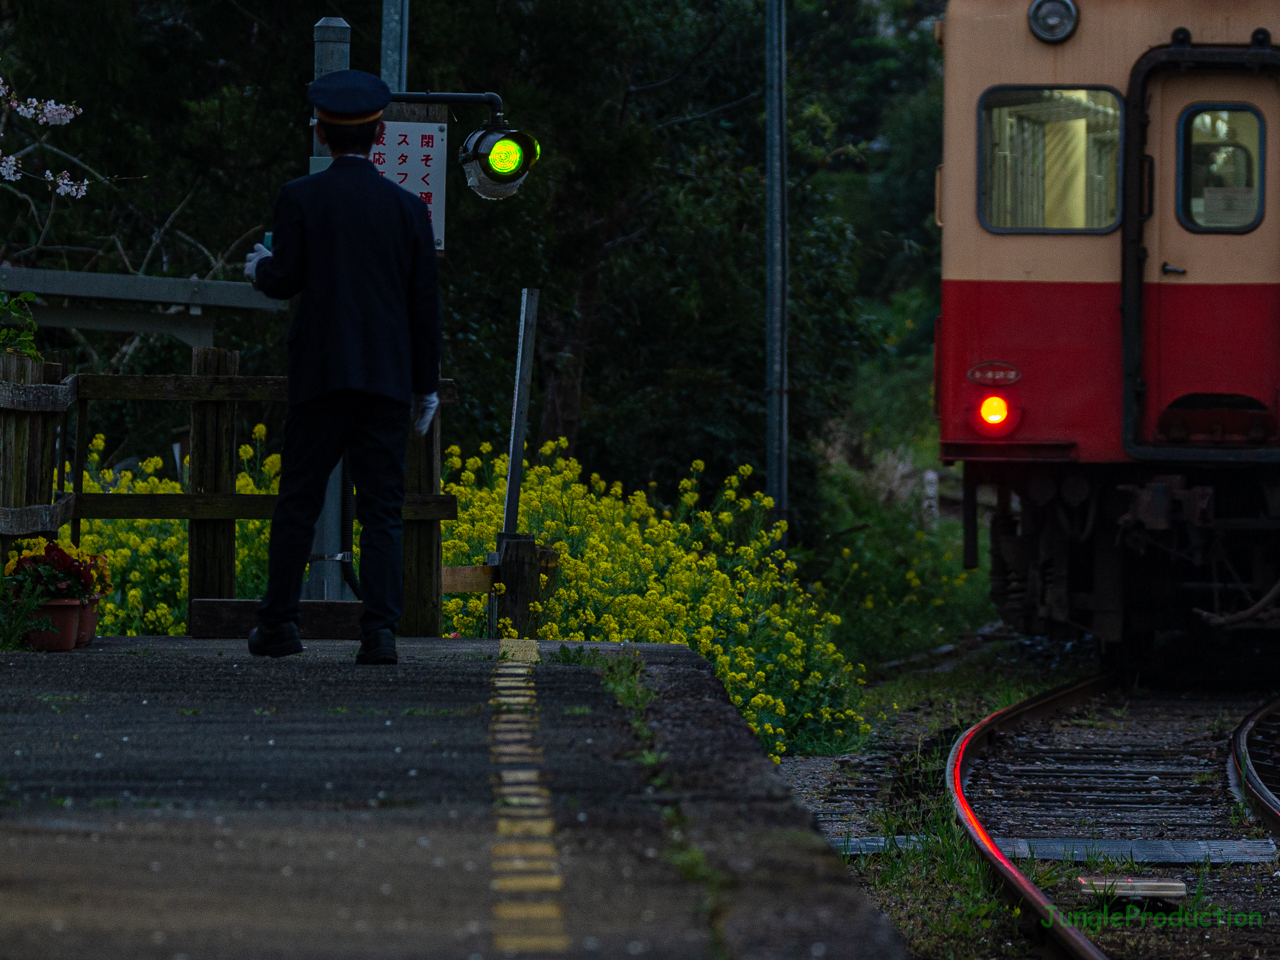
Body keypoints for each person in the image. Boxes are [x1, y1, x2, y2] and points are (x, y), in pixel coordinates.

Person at [244, 69, 442, 665]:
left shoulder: (301, 197)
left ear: (321, 133)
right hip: (385, 379)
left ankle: (279, 624)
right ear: (380, 134)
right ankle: (379, 631)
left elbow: (283, 280)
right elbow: (423, 306)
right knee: (382, 506)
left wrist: (259, 266)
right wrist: (425, 385)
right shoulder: (409, 210)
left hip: (320, 376)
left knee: (298, 500)